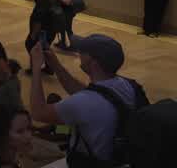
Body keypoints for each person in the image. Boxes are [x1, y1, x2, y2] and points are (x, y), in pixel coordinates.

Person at [28, 34, 147, 166]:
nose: (79, 53)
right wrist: (56, 65)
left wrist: (36, 68)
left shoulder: (83, 103)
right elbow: (90, 94)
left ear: (94, 63)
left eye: (83, 52)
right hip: (119, 160)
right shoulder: (127, 85)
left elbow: (38, 112)